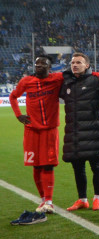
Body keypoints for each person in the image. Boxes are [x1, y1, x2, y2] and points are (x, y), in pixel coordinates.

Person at [9, 56, 64, 214]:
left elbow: (78, 72)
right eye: (37, 64)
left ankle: (49, 201)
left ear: (49, 67)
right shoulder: (26, 81)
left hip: (50, 130)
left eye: (43, 64)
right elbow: (13, 96)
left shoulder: (57, 78)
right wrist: (18, 115)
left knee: (48, 164)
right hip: (31, 130)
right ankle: (42, 200)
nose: (39, 67)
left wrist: (96, 74)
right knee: (36, 165)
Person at [61, 52, 99, 211]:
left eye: (79, 62)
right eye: (73, 62)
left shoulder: (96, 80)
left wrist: (98, 74)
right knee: (78, 167)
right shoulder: (67, 82)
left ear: (87, 65)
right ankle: (82, 199)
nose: (74, 65)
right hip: (74, 133)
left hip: (93, 131)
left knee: (96, 165)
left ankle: (97, 199)